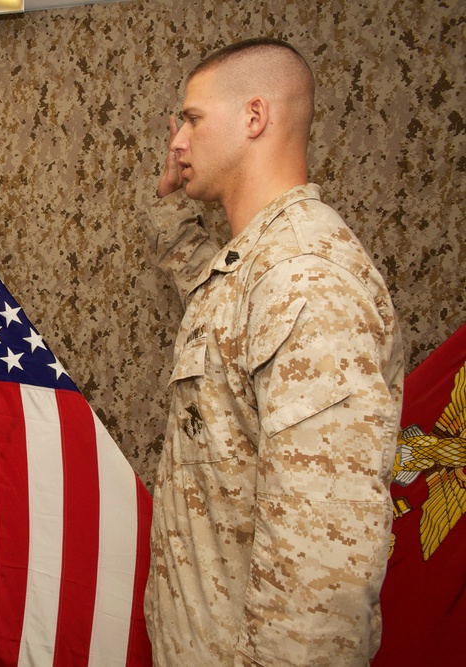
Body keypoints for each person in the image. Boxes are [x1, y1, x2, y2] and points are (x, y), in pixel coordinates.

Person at [143, 38, 403, 665]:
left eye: (193, 118)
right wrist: (171, 200)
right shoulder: (253, 266)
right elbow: (205, 284)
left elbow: (320, 577)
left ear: (254, 118)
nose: (178, 139)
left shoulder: (308, 280)